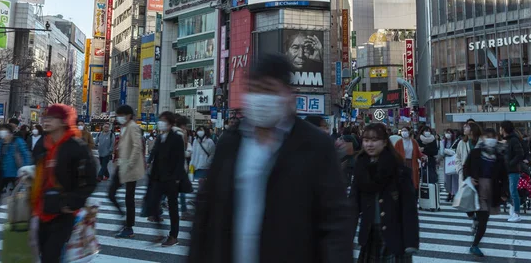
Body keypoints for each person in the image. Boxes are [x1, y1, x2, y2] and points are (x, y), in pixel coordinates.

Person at [187, 53, 353, 263]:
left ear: (288, 95)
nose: (260, 98)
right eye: (254, 89)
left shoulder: (315, 147)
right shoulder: (230, 142)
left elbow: (335, 223)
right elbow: (205, 212)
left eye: (269, 89)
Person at [21, 104, 97, 263]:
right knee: (41, 254)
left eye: (52, 118)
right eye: (46, 117)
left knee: (51, 256)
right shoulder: (43, 144)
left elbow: (90, 180)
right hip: (40, 208)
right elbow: (39, 169)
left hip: (63, 212)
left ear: (64, 121)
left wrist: (72, 203)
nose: (47, 121)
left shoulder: (77, 147)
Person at [351, 123, 419, 262]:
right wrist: (345, 236)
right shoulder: (360, 167)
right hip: (370, 234)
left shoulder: (399, 169)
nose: (370, 144)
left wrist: (411, 241)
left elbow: (409, 208)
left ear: (384, 142)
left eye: (374, 140)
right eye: (366, 140)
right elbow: (352, 205)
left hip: (394, 235)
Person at [463, 127, 509, 257]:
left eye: (493, 137)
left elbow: (504, 176)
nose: (490, 140)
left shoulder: (499, 155)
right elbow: (466, 167)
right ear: (482, 138)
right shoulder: (475, 153)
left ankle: (475, 245)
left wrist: (505, 193)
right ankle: (474, 218)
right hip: (476, 187)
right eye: (487, 136)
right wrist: (469, 178)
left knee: (484, 220)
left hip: (491, 189)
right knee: (474, 212)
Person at [0, 124, 31, 228]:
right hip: (3, 173)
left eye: (3, 130)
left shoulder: (18, 141)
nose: (1, 132)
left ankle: (25, 218)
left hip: (17, 173)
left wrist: (25, 170)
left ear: (9, 132)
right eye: (0, 130)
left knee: (21, 197)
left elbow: (26, 155)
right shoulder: (0, 143)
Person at [147, 111, 185, 247]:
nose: (161, 123)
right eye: (160, 120)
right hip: (158, 177)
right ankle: (160, 232)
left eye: (163, 120)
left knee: (173, 208)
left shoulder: (176, 138)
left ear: (170, 123)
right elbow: (155, 153)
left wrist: (176, 178)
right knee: (153, 204)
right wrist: (149, 162)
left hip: (171, 178)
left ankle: (173, 235)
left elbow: (180, 159)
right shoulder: (160, 137)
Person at [109, 105, 146, 238]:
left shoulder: (133, 127)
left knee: (129, 198)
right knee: (111, 193)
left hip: (130, 167)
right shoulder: (124, 127)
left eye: (121, 114)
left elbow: (137, 146)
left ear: (129, 115)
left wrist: (130, 163)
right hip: (122, 165)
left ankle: (128, 226)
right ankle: (124, 221)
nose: (119, 117)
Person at [500, 120, 524, 223]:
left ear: (504, 129)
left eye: (501, 128)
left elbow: (520, 154)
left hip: (513, 170)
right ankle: (513, 209)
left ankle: (517, 213)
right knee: (510, 191)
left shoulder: (513, 140)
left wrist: (510, 163)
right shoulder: (508, 140)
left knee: (513, 192)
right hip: (509, 170)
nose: (499, 130)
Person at [394, 127, 425, 191]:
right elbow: (395, 154)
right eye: (402, 131)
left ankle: (413, 194)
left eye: (405, 130)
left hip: (412, 163)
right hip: (402, 164)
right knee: (403, 180)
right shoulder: (398, 142)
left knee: (412, 180)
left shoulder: (413, 142)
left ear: (408, 132)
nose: (403, 132)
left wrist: (423, 156)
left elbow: (418, 153)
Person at [439, 128, 460, 202]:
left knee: (455, 178)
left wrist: (450, 152)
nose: (448, 134)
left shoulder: (456, 141)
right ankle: (449, 193)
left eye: (449, 132)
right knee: (447, 179)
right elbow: (441, 153)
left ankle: (454, 194)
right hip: (446, 161)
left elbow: (457, 151)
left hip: (454, 161)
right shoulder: (442, 142)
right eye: (446, 132)